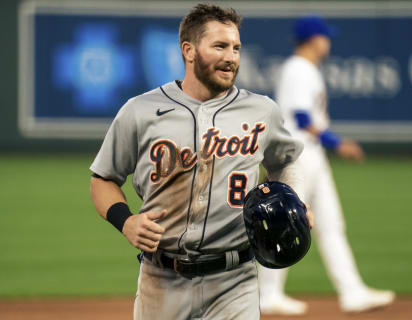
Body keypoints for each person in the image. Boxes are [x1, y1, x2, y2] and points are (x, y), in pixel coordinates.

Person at [89, 4, 312, 320]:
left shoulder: (261, 111)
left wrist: (295, 200)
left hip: (235, 281)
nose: (231, 56)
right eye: (220, 46)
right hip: (160, 279)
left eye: (236, 48)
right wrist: (126, 221)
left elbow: (286, 161)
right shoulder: (140, 111)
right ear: (189, 51)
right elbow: (103, 179)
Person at [258, 15, 395, 315]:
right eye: (325, 36)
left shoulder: (305, 69)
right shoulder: (299, 69)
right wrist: (338, 143)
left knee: (331, 224)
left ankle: (352, 292)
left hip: (311, 154)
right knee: (288, 223)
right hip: (298, 155)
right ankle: (268, 293)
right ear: (314, 39)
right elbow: (302, 118)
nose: (328, 42)